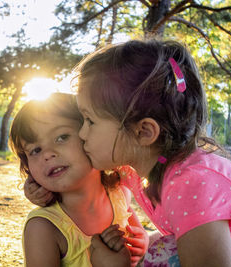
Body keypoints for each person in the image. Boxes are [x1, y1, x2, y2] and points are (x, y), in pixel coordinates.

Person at [24, 39, 231, 267]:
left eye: (90, 121)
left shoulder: (191, 184)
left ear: (143, 132)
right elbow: (87, 173)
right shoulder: (143, 164)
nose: (82, 134)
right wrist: (37, 185)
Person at [9, 93, 148, 267]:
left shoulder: (119, 194)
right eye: (35, 150)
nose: (47, 154)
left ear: (91, 136)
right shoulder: (43, 229)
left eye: (62, 137)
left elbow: (138, 235)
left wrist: (142, 246)